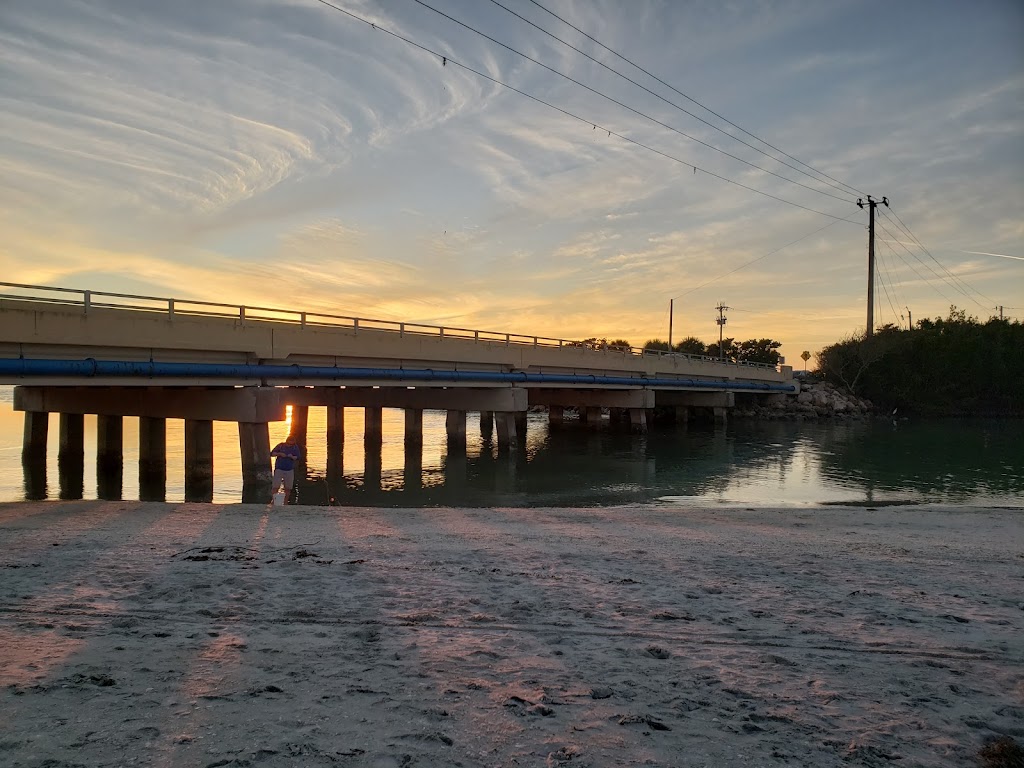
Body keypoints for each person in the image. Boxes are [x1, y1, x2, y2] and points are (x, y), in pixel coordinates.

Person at [269, 435, 302, 504]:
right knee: (276, 486)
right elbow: (272, 453)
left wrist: (292, 457)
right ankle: (274, 501)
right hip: (279, 468)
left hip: (289, 469)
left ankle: (285, 502)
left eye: (291, 444)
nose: (289, 445)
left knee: (288, 487)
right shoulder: (281, 446)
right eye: (288, 444)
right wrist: (279, 454)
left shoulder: (295, 447)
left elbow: (298, 457)